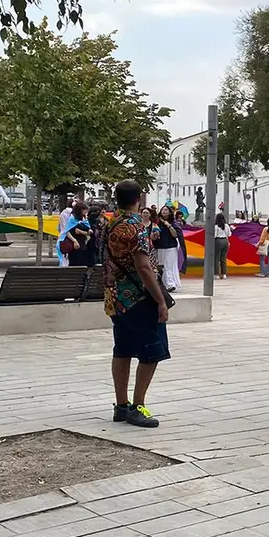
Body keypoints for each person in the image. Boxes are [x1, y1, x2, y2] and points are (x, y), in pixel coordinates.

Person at [101, 179, 170, 428]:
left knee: (122, 349)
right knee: (151, 351)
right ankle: (137, 405)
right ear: (138, 198)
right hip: (138, 298)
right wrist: (160, 300)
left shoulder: (111, 223)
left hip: (115, 297)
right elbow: (143, 266)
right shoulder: (135, 226)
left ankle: (121, 404)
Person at [152, 205, 181, 291]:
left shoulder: (173, 222)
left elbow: (176, 235)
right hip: (159, 247)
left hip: (170, 247)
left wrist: (168, 225)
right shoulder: (156, 222)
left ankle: (170, 284)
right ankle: (163, 284)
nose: (164, 211)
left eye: (166, 210)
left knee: (169, 265)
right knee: (161, 266)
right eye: (162, 210)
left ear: (169, 212)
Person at [214, 212, 231, 279]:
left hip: (218, 241)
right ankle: (224, 274)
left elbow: (214, 235)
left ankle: (216, 274)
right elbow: (229, 234)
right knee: (223, 259)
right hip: (225, 241)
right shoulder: (226, 226)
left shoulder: (216, 226)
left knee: (216, 258)